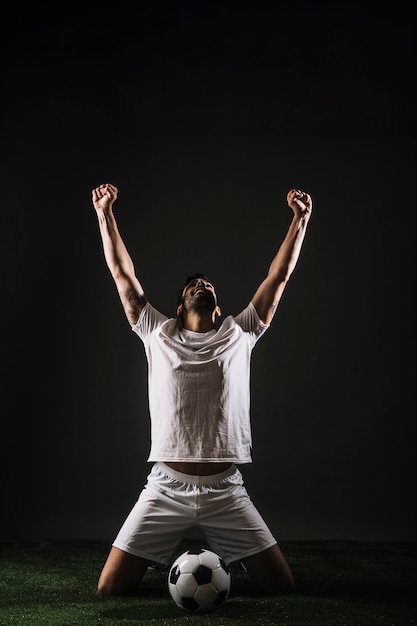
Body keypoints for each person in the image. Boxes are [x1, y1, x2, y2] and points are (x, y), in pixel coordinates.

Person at [92, 182, 312, 597]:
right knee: (109, 589)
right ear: (179, 308)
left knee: (282, 586)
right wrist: (104, 212)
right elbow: (122, 273)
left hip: (225, 489)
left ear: (216, 306)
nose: (201, 283)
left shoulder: (240, 332)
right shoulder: (155, 331)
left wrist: (301, 220)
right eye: (192, 284)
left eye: (207, 284)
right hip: (165, 487)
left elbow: (278, 276)